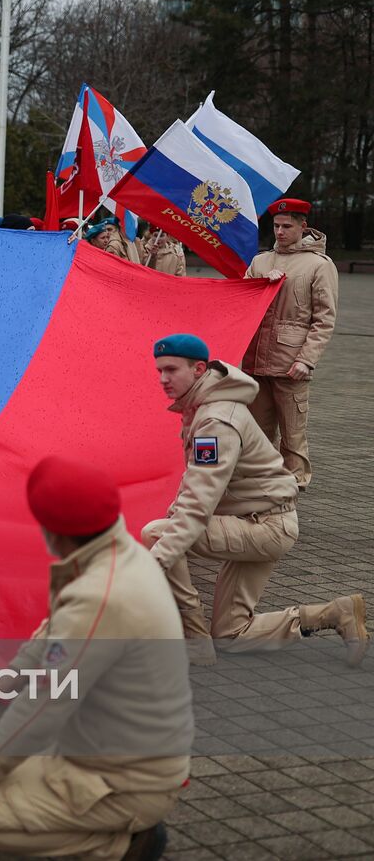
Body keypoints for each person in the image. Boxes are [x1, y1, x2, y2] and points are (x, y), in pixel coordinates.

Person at [0, 456, 190, 861]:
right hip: (98, 744)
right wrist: (11, 676)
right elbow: (50, 637)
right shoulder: (115, 552)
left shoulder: (100, 596)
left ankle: (123, 844)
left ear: (53, 530)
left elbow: (47, 703)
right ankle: (16, 785)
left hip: (123, 782)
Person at [143, 334, 366, 666]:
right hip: (260, 520)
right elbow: (197, 487)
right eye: (160, 370)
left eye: (171, 370)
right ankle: (333, 613)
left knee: (158, 536)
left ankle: (194, 638)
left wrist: (153, 564)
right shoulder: (205, 408)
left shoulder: (215, 422)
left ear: (199, 368)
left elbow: (198, 504)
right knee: (232, 635)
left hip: (265, 527)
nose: (163, 379)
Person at [242, 198, 338, 490]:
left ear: (303, 227)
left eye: (287, 226)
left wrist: (306, 360)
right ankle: (261, 482)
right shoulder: (260, 261)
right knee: (258, 431)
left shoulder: (319, 265)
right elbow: (243, 302)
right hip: (256, 361)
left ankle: (295, 485)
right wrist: (258, 286)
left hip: (290, 363)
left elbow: (324, 320)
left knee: (293, 434)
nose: (280, 232)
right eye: (276, 226)